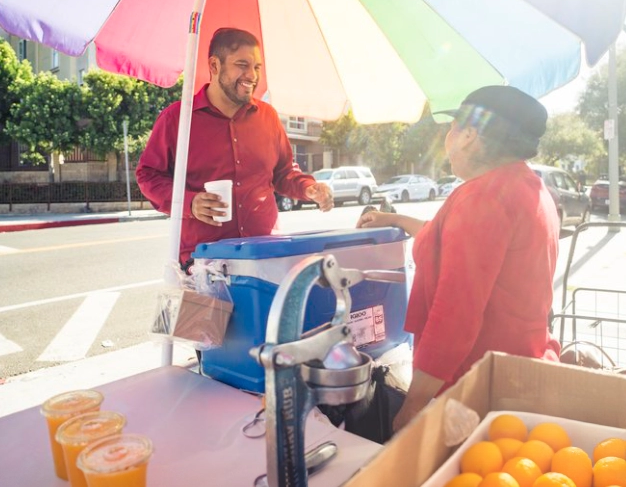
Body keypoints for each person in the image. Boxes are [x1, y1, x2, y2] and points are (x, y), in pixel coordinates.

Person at [356, 86, 561, 432]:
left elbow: (455, 316)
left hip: (479, 391)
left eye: (452, 129)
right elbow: (450, 240)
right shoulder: (525, 185)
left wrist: (412, 408)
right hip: (521, 369)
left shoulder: (483, 198)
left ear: (468, 136)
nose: (447, 138)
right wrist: (394, 220)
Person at [136, 27, 333, 268]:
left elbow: (284, 173)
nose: (252, 75)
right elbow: (148, 175)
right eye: (242, 65)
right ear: (215, 65)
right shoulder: (178, 119)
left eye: (257, 67)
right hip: (204, 263)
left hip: (264, 255)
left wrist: (308, 188)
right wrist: (189, 203)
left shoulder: (268, 117)